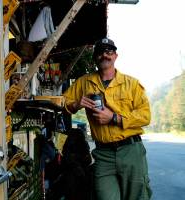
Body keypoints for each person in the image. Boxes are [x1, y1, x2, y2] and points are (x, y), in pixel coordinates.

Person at [63, 37, 152, 200]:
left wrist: (114, 118)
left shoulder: (131, 84)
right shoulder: (84, 82)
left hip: (131, 151)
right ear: (95, 56)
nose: (104, 55)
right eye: (100, 52)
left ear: (115, 56)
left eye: (108, 51)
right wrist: (76, 104)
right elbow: (64, 103)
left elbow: (145, 116)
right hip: (103, 154)